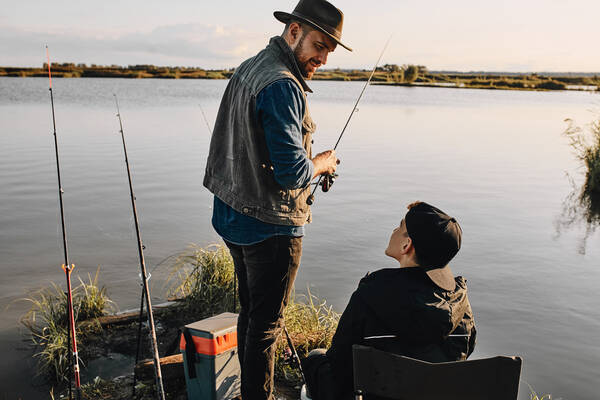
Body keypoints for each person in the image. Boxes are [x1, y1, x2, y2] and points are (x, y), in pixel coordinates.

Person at [202, 0, 352, 398]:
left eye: (328, 52)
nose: (322, 58)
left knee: (251, 313)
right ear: (294, 31)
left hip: (232, 216)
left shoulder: (252, 65)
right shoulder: (283, 83)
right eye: (319, 46)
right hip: (269, 227)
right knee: (265, 326)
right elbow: (291, 174)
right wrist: (323, 162)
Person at [302, 201, 477, 400]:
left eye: (400, 226)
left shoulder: (370, 295)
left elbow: (339, 366)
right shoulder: (461, 304)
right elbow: (465, 354)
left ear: (406, 245)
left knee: (316, 359)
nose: (395, 229)